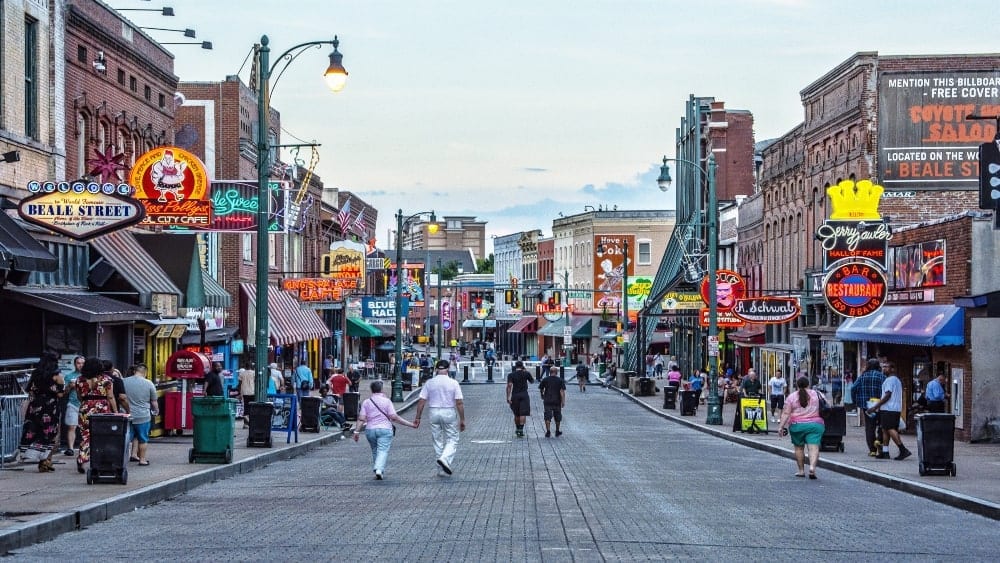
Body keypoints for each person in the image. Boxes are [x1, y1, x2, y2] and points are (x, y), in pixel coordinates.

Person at [352, 380, 416, 480]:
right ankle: (378, 469)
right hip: (385, 429)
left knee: (375, 450)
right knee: (382, 450)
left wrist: (356, 431)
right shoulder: (387, 401)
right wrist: (410, 424)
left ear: (371, 390)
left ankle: (379, 470)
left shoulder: (366, 402)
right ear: (381, 389)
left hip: (370, 430)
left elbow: (361, 419)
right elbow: (394, 417)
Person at [414, 359, 466, 475]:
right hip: (448, 411)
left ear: (436, 369)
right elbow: (459, 402)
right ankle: (445, 458)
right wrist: (462, 419)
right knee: (452, 439)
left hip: (433, 411)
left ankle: (440, 469)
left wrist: (418, 417)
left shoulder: (430, 383)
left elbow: (422, 401)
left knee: (437, 440)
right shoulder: (453, 383)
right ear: (448, 369)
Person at [18, 353, 64, 472]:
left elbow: (30, 391)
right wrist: (68, 387)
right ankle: (45, 460)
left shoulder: (35, 374)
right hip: (50, 407)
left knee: (36, 430)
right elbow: (60, 393)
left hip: (36, 406)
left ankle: (43, 460)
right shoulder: (56, 375)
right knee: (51, 433)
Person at [777, 376, 826, 479]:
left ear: (797, 385)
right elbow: (828, 405)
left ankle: (801, 470)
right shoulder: (817, 394)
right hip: (815, 425)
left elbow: (786, 413)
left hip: (797, 426)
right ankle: (812, 468)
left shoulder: (792, 397)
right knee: (813, 447)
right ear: (808, 384)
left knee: (799, 448)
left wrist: (781, 426)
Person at [75, 357, 118, 474]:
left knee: (85, 435)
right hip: (102, 408)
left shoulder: (79, 380)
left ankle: (82, 458)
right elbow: (110, 397)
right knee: (102, 436)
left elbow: (79, 397)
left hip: (85, 407)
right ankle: (100, 461)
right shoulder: (106, 379)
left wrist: (87, 403)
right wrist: (116, 411)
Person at [866, 362, 912, 460]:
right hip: (893, 409)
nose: (884, 369)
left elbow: (887, 395)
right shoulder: (896, 380)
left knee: (890, 429)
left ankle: (903, 450)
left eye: (886, 367)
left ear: (892, 369)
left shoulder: (890, 380)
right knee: (884, 429)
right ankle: (885, 452)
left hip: (889, 409)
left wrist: (875, 407)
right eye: (883, 367)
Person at [122, 364, 158, 466]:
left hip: (126, 415)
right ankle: (142, 460)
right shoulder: (149, 383)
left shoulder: (124, 381)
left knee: (125, 439)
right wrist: (156, 410)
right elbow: (154, 401)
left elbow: (120, 396)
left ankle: (121, 460)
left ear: (135, 371)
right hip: (143, 416)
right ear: (145, 372)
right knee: (143, 439)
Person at [853, 358, 886, 457]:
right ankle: (879, 441)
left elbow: (853, 388)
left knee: (869, 427)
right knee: (881, 425)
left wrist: (855, 400)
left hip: (866, 405)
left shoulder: (862, 376)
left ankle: (872, 450)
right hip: (880, 404)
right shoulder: (882, 376)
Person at [61, 355, 85, 457]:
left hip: (85, 404)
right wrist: (69, 387)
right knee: (71, 426)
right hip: (73, 403)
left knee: (86, 427)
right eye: (78, 363)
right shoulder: (69, 376)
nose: (80, 365)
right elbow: (64, 393)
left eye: (82, 363)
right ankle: (70, 448)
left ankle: (85, 448)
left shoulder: (89, 376)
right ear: (75, 364)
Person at [506, 360, 534, 437]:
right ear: (522, 366)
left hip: (515, 395)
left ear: (515, 366)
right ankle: (521, 430)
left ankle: (517, 429)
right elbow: (532, 381)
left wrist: (508, 397)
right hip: (524, 394)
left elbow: (509, 386)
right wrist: (526, 372)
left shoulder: (511, 375)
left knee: (516, 414)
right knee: (523, 413)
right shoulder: (526, 373)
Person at [538, 366, 566, 437]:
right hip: (557, 400)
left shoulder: (545, 379)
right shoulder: (560, 380)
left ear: (550, 372)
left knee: (547, 416)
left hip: (547, 400)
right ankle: (557, 431)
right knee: (558, 416)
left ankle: (548, 431)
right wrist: (563, 401)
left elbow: (541, 388)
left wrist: (542, 394)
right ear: (556, 372)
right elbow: (562, 391)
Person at [237, 363, 255, 427]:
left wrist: (239, 392)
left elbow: (239, 383)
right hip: (252, 392)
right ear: (251, 367)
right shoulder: (254, 373)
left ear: (245, 366)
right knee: (252, 407)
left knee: (246, 407)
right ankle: (250, 422)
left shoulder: (242, 373)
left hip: (244, 392)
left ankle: (245, 424)